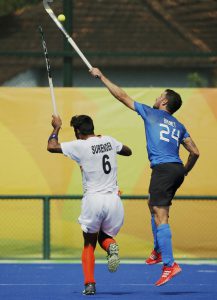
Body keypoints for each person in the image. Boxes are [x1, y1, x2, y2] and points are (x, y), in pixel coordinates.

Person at [90, 68, 200, 286]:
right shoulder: (179, 125)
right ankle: (159, 251)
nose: (156, 97)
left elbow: (122, 96)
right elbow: (195, 152)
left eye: (160, 95)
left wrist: (101, 77)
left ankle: (169, 265)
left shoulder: (151, 113)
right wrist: (184, 170)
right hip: (176, 169)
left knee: (161, 215)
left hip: (164, 169)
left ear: (165, 102)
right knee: (153, 205)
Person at [47, 114, 132, 295]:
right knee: (105, 237)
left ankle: (89, 284)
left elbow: (51, 146)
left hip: (93, 199)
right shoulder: (108, 140)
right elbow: (128, 151)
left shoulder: (80, 145)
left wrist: (57, 127)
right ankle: (111, 247)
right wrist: (107, 146)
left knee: (89, 244)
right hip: (113, 200)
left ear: (78, 131)